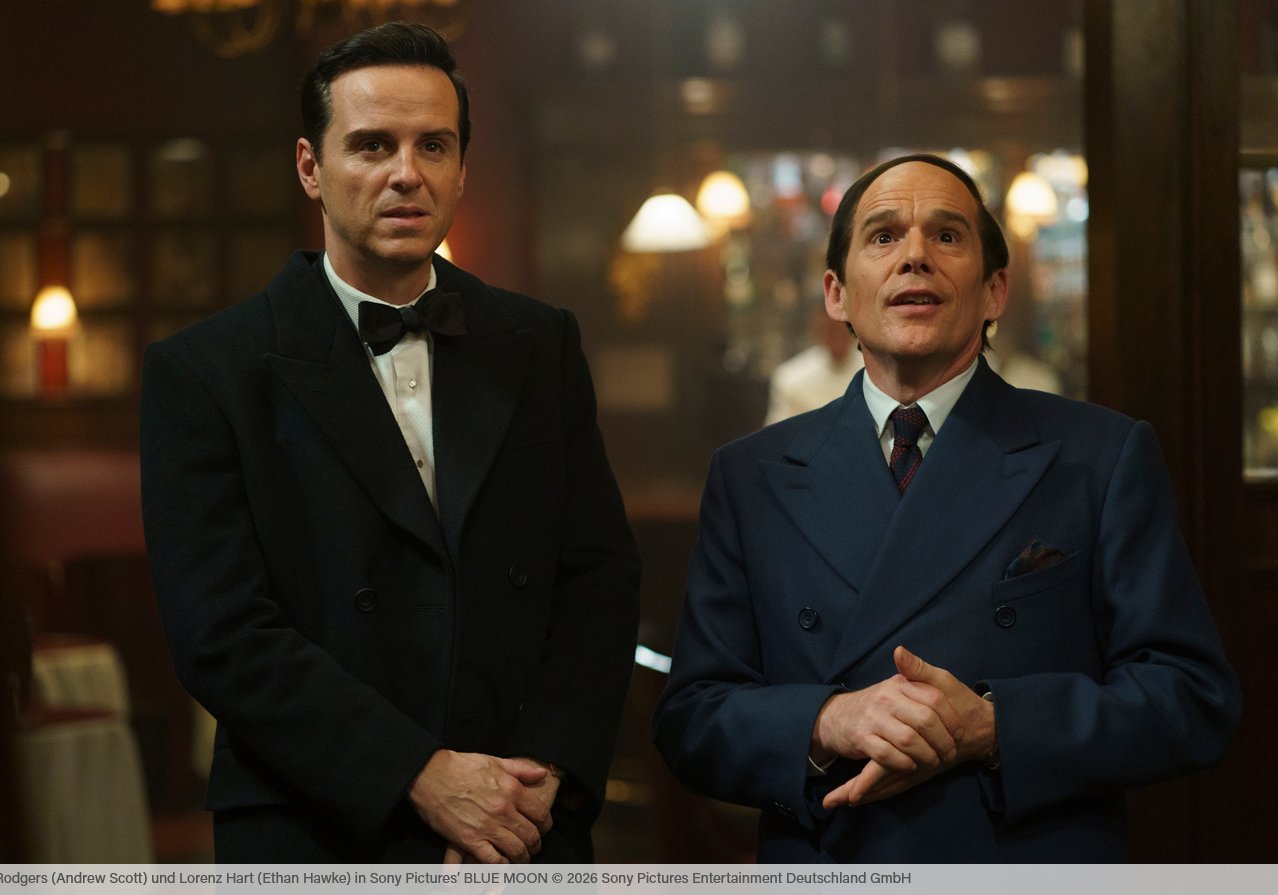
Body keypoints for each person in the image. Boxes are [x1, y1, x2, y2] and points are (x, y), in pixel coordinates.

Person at [141, 22, 640, 864]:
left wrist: (539, 774)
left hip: (522, 823)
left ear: (461, 168)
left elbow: (598, 578)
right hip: (315, 823)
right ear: (311, 167)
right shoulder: (206, 370)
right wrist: (420, 775)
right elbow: (221, 633)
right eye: (373, 145)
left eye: (432, 145)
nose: (407, 172)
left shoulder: (539, 343)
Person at [652, 154, 1241, 861]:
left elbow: (1192, 698)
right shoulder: (751, 475)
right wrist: (829, 719)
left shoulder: (1102, 456)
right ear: (837, 294)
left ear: (995, 290)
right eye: (883, 236)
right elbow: (692, 717)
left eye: (947, 235)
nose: (915, 256)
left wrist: (993, 728)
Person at [765, 308, 863, 425]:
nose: (835, 338)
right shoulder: (790, 378)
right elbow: (781, 431)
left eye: (839, 330)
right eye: (827, 330)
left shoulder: (874, 371)